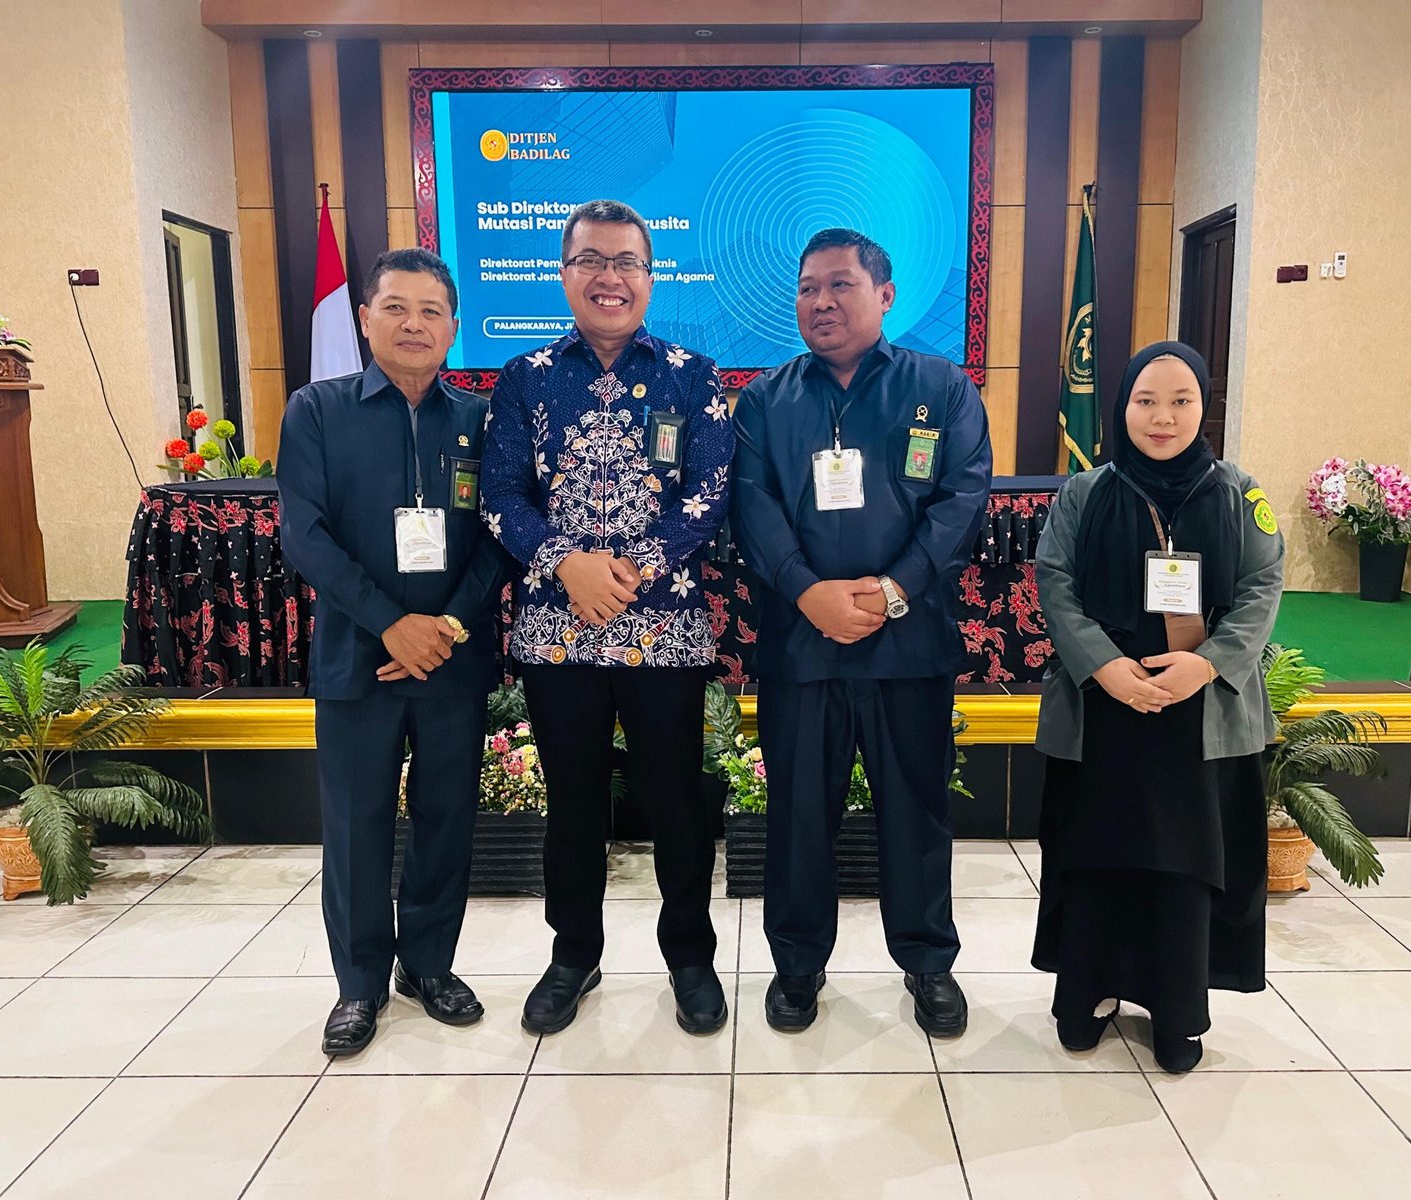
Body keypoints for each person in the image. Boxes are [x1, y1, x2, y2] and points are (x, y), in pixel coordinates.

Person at [482, 199, 735, 1037]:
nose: (609, 277)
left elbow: (710, 495)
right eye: (591, 260)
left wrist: (632, 571)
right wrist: (568, 564)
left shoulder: (694, 376)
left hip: (664, 631)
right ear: (564, 273)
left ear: (650, 278)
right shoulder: (524, 378)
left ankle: (689, 958)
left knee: (676, 803)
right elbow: (501, 496)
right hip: (558, 633)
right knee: (573, 805)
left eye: (627, 261)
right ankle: (573, 955)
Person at [732, 228, 991, 1036]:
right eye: (808, 287)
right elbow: (752, 506)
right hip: (801, 647)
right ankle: (797, 966)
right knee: (798, 818)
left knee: (916, 816)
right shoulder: (765, 400)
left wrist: (891, 589)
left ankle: (928, 963)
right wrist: (807, 592)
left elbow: (963, 498)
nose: (821, 302)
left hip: (907, 647)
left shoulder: (941, 388)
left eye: (840, 285)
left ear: (885, 295)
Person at [279, 248, 510, 1057]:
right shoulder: (317, 410)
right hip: (358, 660)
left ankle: (430, 966)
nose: (415, 324)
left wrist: (445, 627)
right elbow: (305, 534)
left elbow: (502, 533)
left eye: (431, 311)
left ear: (454, 326)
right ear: (365, 318)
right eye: (396, 308)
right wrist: (390, 624)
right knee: (356, 829)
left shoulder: (482, 419)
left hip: (452, 662)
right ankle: (359, 985)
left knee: (447, 823)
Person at [1032, 340, 1285, 1073]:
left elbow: (1262, 589)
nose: (1162, 417)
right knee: (1096, 856)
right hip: (1104, 712)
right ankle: (1087, 995)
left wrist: (1206, 665)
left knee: (1184, 863)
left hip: (1197, 716)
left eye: (1181, 401)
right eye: (1146, 401)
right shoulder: (1085, 493)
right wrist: (1105, 667)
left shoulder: (1239, 494)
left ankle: (1177, 1011)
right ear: (1123, 407)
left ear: (1205, 408)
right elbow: (1055, 582)